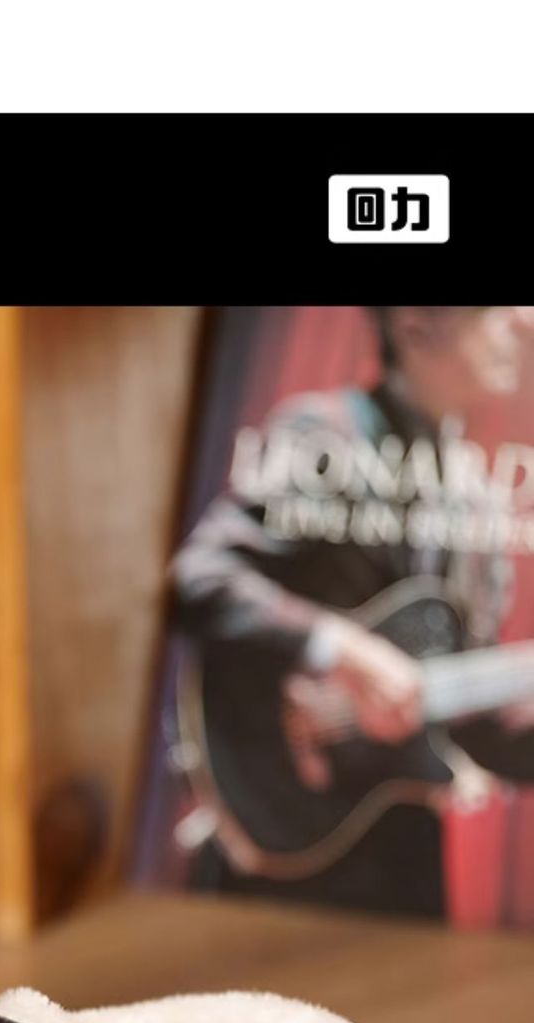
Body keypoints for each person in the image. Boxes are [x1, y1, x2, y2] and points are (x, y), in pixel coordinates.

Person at [173, 305, 534, 916]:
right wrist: (344, 652)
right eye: (496, 310)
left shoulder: (480, 497)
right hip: (281, 820)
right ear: (416, 327)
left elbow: (471, 718)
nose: (525, 321)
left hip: (401, 852)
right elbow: (201, 578)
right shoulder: (330, 434)